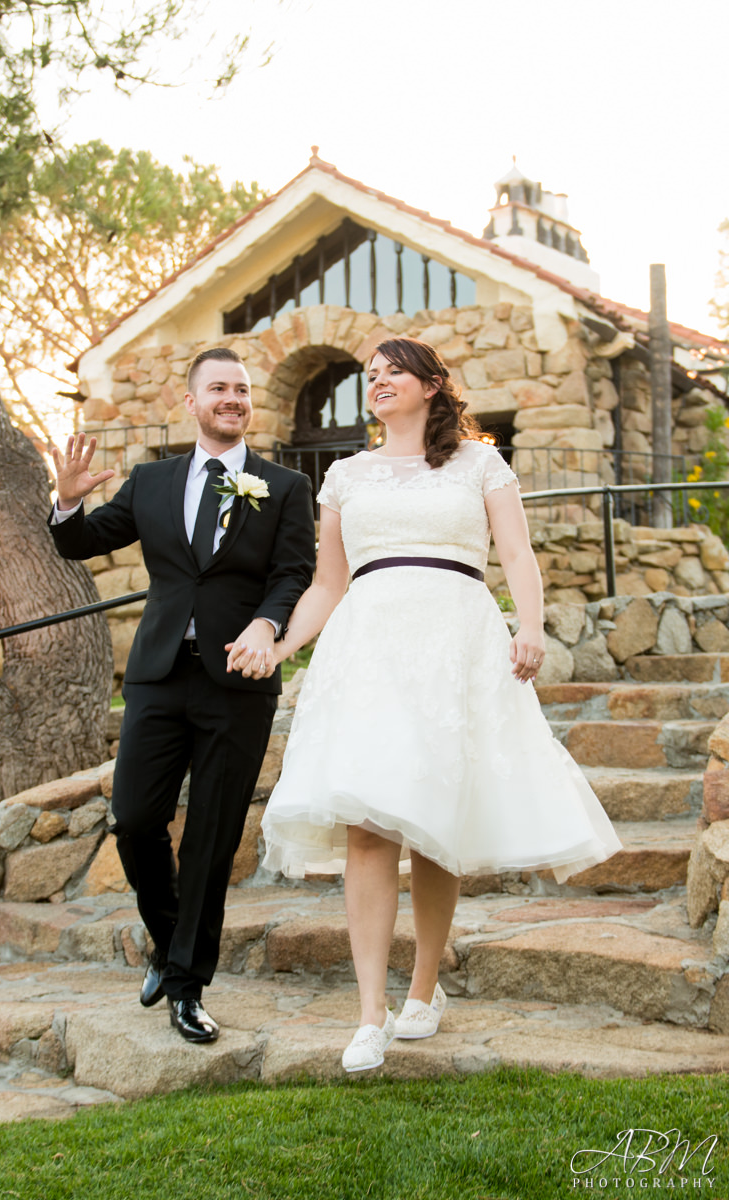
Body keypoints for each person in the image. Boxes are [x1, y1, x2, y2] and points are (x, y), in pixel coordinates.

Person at [236, 335, 621, 1073]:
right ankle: (369, 1013)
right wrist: (283, 646)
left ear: (432, 385)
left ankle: (424, 989)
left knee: (436, 822)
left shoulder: (481, 462)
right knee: (369, 826)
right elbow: (327, 583)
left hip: (456, 643)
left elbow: (516, 555)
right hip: (370, 651)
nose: (376, 383)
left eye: (392, 373)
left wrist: (530, 626)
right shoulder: (345, 476)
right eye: (370, 376)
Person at [49, 346, 316, 1044]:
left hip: (240, 681)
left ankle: (187, 988)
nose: (233, 398)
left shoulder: (283, 487)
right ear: (192, 403)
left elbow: (295, 574)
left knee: (210, 839)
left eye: (242, 389)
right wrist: (70, 500)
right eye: (218, 388)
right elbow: (81, 543)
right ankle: (173, 953)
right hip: (159, 676)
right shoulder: (152, 481)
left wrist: (267, 623)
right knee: (135, 820)